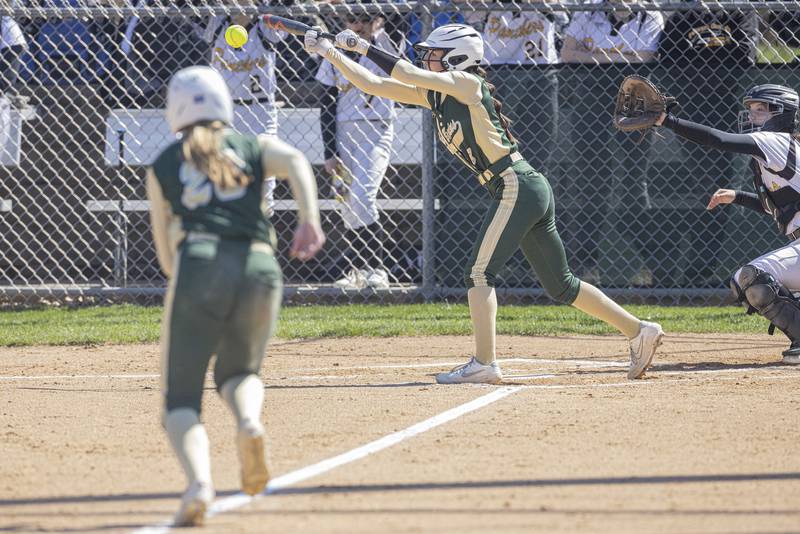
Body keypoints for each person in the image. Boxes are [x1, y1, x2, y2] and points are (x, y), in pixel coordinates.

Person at [304, 23, 663, 384]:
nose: (428, 58)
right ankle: (639, 331)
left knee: (479, 273)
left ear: (458, 58)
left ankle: (484, 362)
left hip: (515, 185)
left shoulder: (468, 83)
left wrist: (363, 45)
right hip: (519, 187)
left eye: (436, 54)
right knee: (562, 285)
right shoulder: (438, 94)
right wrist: (331, 53)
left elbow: (406, 71)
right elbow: (375, 85)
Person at [147, 65, 325, 526]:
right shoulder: (250, 146)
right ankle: (249, 422)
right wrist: (310, 218)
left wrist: (193, 285)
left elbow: (168, 258)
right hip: (260, 264)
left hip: (199, 263)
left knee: (181, 398)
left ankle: (199, 485)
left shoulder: (164, 162)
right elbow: (297, 162)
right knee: (240, 371)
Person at [656, 84, 800, 364]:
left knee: (752, 277)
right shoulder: (782, 150)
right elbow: (782, 209)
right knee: (741, 281)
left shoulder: (777, 140)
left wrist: (667, 121)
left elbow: (719, 140)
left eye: (760, 110)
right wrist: (738, 196)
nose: (752, 116)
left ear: (783, 114)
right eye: (751, 110)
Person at [560, 0, 664, 286]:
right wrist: (619, 54)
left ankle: (648, 265)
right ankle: (586, 265)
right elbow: (568, 53)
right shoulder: (587, 10)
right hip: (590, 101)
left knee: (634, 183)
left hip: (635, 103)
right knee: (591, 182)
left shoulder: (649, 14)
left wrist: (595, 53)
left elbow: (643, 58)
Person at [658, 2, 757, 286]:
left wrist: (698, 57)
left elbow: (745, 54)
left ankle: (705, 267)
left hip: (727, 111)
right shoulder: (682, 14)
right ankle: (686, 270)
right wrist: (715, 57)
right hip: (690, 114)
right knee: (699, 186)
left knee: (723, 184)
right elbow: (668, 56)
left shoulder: (740, 11)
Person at [315, 10, 397, 289]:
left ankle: (379, 268)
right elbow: (325, 103)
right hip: (343, 133)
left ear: (378, 19)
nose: (358, 25)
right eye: (352, 19)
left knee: (363, 197)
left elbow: (396, 19)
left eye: (365, 18)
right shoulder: (334, 51)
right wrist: (329, 151)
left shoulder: (387, 42)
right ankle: (359, 270)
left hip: (376, 129)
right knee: (347, 205)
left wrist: (379, 26)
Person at [206, 2, 287, 214]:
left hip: (260, 110)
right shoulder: (216, 23)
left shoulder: (264, 26)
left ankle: (261, 226)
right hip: (225, 111)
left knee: (264, 176)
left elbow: (287, 7)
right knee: (225, 174)